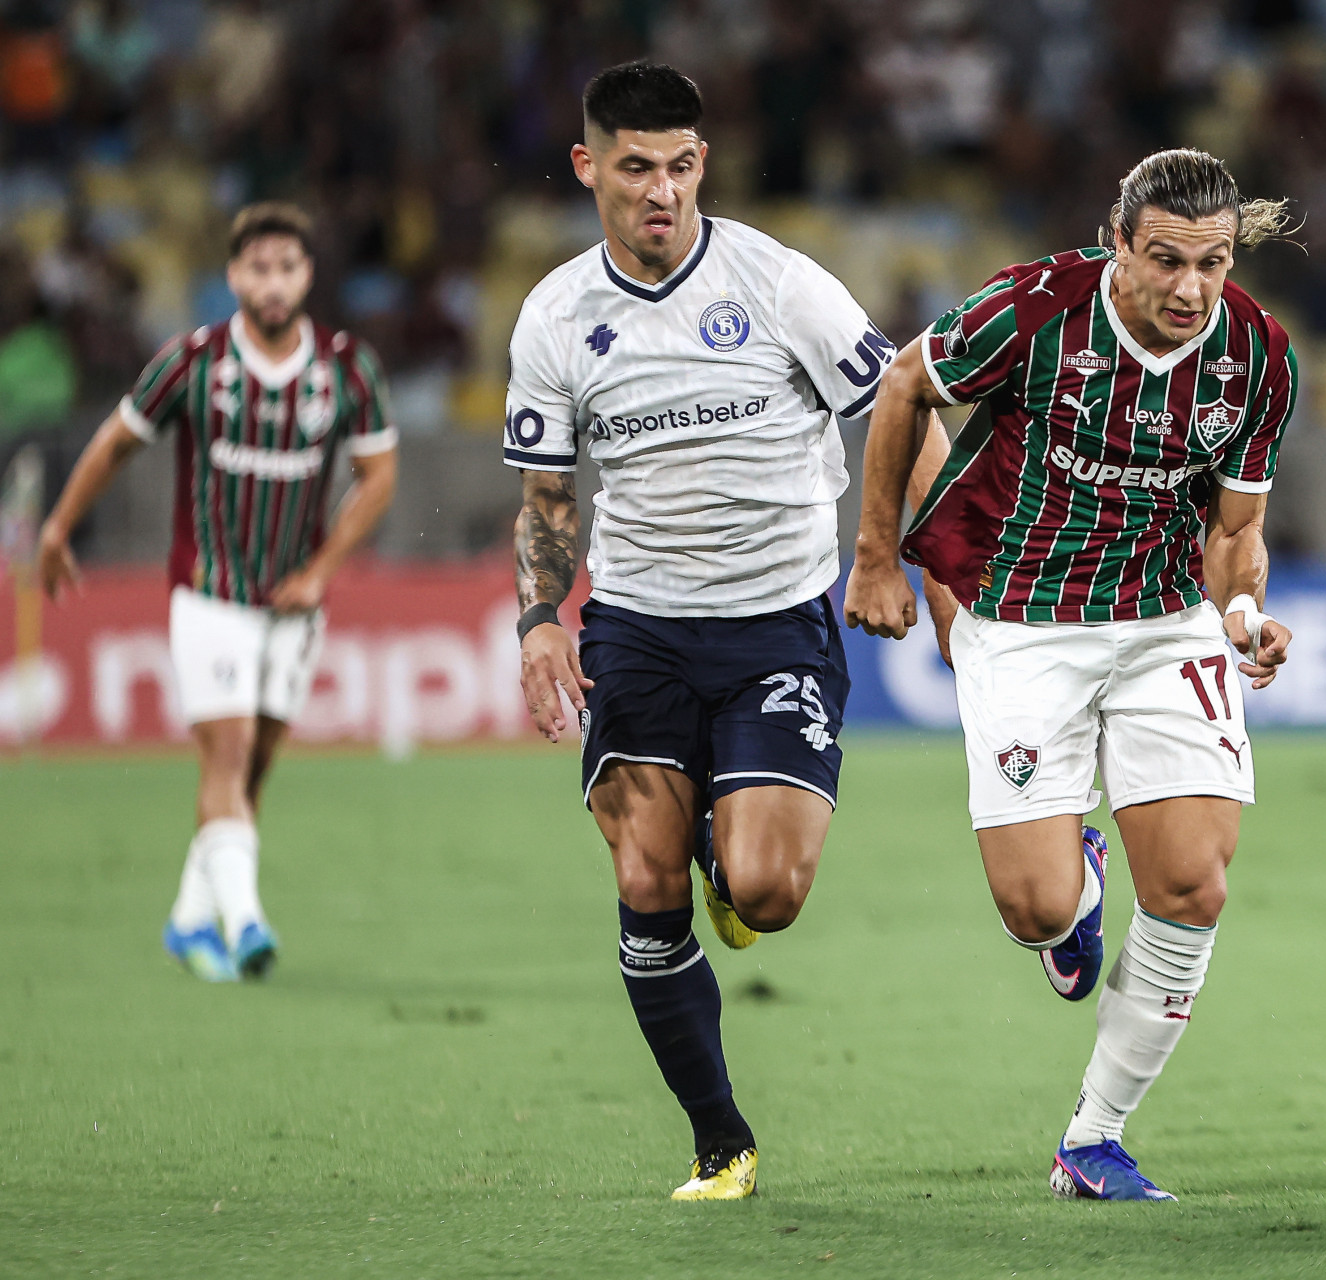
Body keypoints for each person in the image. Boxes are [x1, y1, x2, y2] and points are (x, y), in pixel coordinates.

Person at [507, 61, 936, 1203]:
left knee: (767, 891)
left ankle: (730, 861)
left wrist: (919, 557)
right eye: (637, 167)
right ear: (589, 167)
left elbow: (904, 406)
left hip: (777, 623)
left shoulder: (780, 281)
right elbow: (551, 502)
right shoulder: (555, 315)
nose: (663, 190)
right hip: (638, 625)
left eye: (683, 165)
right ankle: (721, 1141)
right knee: (644, 872)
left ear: (705, 162)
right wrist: (542, 621)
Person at [845, 149, 1297, 1202]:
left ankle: (1094, 1135)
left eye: (1214, 264)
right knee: (1034, 907)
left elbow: (1237, 527)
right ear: (1119, 244)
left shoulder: (1257, 353)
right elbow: (907, 381)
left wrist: (1239, 612)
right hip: (1021, 620)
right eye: (1168, 260)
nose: (1191, 289)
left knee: (1193, 880)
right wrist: (874, 554)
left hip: (1165, 617)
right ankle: (1075, 888)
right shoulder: (1035, 309)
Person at [36, 202, 399, 980]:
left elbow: (379, 477)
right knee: (227, 758)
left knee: (256, 768)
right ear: (232, 276)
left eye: (288, 267)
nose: (273, 283)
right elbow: (115, 442)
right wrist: (59, 526)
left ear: (308, 275)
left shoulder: (346, 368)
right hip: (208, 594)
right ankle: (247, 924)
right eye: (258, 268)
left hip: (294, 605)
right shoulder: (192, 361)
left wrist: (321, 571)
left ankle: (189, 919)